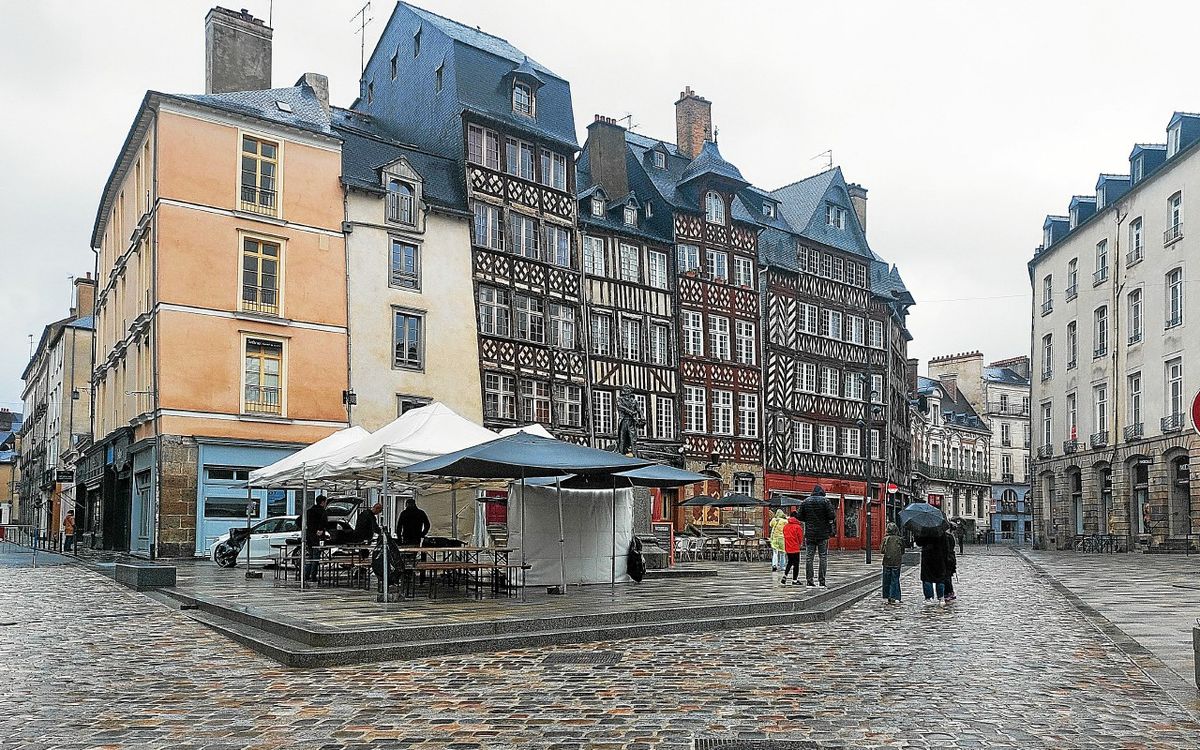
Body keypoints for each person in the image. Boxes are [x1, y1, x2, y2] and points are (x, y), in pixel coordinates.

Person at [798, 485, 835, 588]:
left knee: (809, 557)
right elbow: (832, 516)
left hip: (810, 533)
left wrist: (809, 520)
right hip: (823, 533)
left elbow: (799, 516)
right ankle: (822, 581)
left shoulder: (806, 501)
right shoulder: (825, 501)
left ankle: (809, 580)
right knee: (823, 556)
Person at [917, 524, 953, 605]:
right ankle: (941, 597)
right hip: (939, 558)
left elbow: (919, 542)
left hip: (927, 557)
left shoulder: (924, 529)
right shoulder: (941, 531)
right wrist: (946, 557)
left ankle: (929, 598)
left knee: (927, 578)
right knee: (940, 578)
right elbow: (946, 547)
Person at [303, 495, 329, 581]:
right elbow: (324, 522)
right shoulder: (322, 511)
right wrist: (320, 530)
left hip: (309, 536)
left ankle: (306, 575)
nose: (326, 504)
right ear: (322, 502)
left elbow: (299, 520)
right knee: (316, 557)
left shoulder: (309, 511)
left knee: (310, 556)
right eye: (325, 502)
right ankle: (313, 576)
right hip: (318, 537)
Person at [880, 521, 904, 604]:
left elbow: (882, 551)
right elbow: (902, 551)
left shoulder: (885, 539)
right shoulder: (899, 539)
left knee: (887, 579)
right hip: (897, 561)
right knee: (895, 579)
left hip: (887, 561)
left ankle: (888, 596)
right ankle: (895, 596)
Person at [781, 511, 804, 586]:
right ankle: (794, 580)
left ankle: (785, 575)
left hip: (788, 547)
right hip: (795, 548)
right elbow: (800, 538)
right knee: (796, 564)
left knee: (789, 562)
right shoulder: (798, 527)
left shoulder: (786, 526)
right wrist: (799, 544)